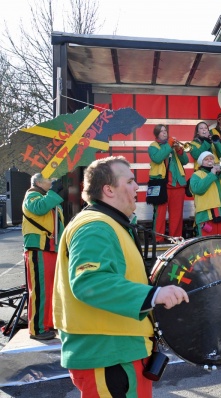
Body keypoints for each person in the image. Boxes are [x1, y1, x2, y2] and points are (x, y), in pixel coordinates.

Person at [52, 156, 189, 397]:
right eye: (130, 181)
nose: (138, 187)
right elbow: (89, 282)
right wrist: (154, 294)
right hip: (109, 355)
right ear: (108, 190)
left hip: (119, 352)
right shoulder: (96, 226)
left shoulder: (109, 224)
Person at [22, 173, 64, 340]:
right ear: (38, 182)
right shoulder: (31, 195)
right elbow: (39, 208)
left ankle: (49, 324)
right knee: (40, 291)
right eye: (49, 180)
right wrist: (54, 193)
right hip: (38, 249)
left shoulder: (45, 197)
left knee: (51, 290)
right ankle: (37, 329)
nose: (52, 182)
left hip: (50, 248)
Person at [148, 124, 189, 242]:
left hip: (177, 184)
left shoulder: (172, 146)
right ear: (157, 134)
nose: (164, 133)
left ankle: (175, 239)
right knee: (159, 214)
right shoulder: (153, 146)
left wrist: (179, 149)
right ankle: (158, 239)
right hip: (160, 184)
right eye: (161, 131)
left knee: (176, 215)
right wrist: (169, 145)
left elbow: (185, 161)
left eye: (165, 130)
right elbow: (157, 158)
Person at [189, 151, 221, 236]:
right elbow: (198, 190)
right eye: (206, 159)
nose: (209, 161)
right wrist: (212, 174)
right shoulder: (196, 175)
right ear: (201, 162)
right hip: (206, 216)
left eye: (211, 158)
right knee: (207, 245)